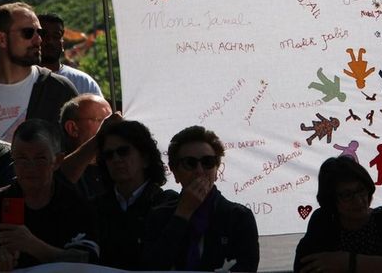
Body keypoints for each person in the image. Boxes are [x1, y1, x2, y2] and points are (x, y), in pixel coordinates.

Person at [0, 119, 99, 270]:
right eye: (22, 159)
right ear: (13, 160)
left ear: (57, 161)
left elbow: (88, 261)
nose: (31, 167)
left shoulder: (75, 206)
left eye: (40, 159)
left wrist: (34, 246)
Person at [142, 125, 259, 271]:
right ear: (175, 172)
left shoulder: (238, 218)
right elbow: (153, 266)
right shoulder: (159, 216)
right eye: (190, 163)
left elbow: (246, 267)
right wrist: (182, 214)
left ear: (217, 170)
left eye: (207, 162)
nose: (199, 171)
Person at [294, 155, 382, 273]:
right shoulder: (323, 221)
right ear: (331, 200)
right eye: (347, 195)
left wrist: (348, 262)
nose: (359, 200)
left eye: (361, 190)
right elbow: (303, 267)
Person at [0, 2, 77, 141]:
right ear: (1, 39)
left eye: (39, 32)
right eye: (28, 33)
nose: (38, 40)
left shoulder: (59, 90)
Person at [94, 120, 176, 269]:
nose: (116, 159)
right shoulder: (93, 207)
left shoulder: (168, 204)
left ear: (145, 158)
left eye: (123, 151)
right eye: (109, 155)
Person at [60, 93, 113, 198]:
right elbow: (61, 177)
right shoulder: (52, 168)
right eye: (101, 120)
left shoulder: (115, 165)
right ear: (72, 128)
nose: (111, 126)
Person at [38, 13, 103, 96]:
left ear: (62, 42)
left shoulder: (84, 83)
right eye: (44, 35)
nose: (50, 41)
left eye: (56, 36)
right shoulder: (23, 79)